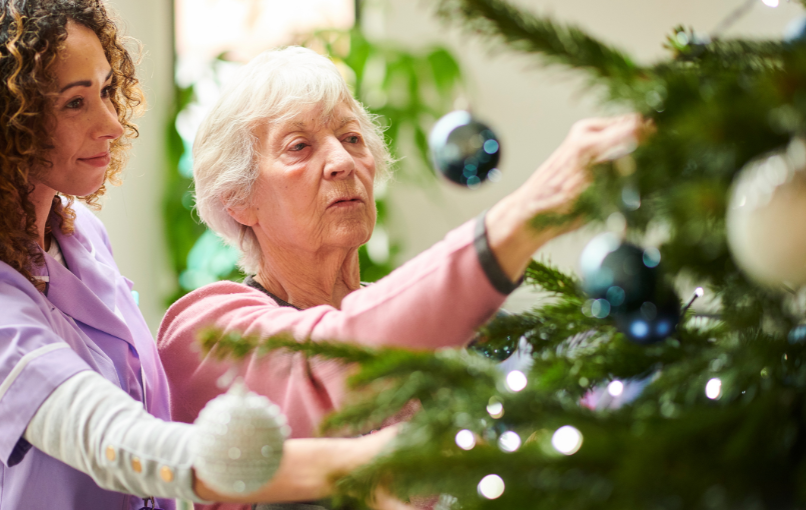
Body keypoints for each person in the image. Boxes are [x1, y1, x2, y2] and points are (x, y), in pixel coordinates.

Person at [0, 2, 400, 509]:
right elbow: (115, 442)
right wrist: (359, 461)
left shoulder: (82, 241)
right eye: (75, 102)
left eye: (106, 91)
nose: (112, 124)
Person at [156, 46, 646, 510]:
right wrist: (523, 216)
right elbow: (339, 356)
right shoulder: (206, 331)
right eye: (300, 146)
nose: (344, 162)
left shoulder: (431, 331)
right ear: (237, 199)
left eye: (352, 139)